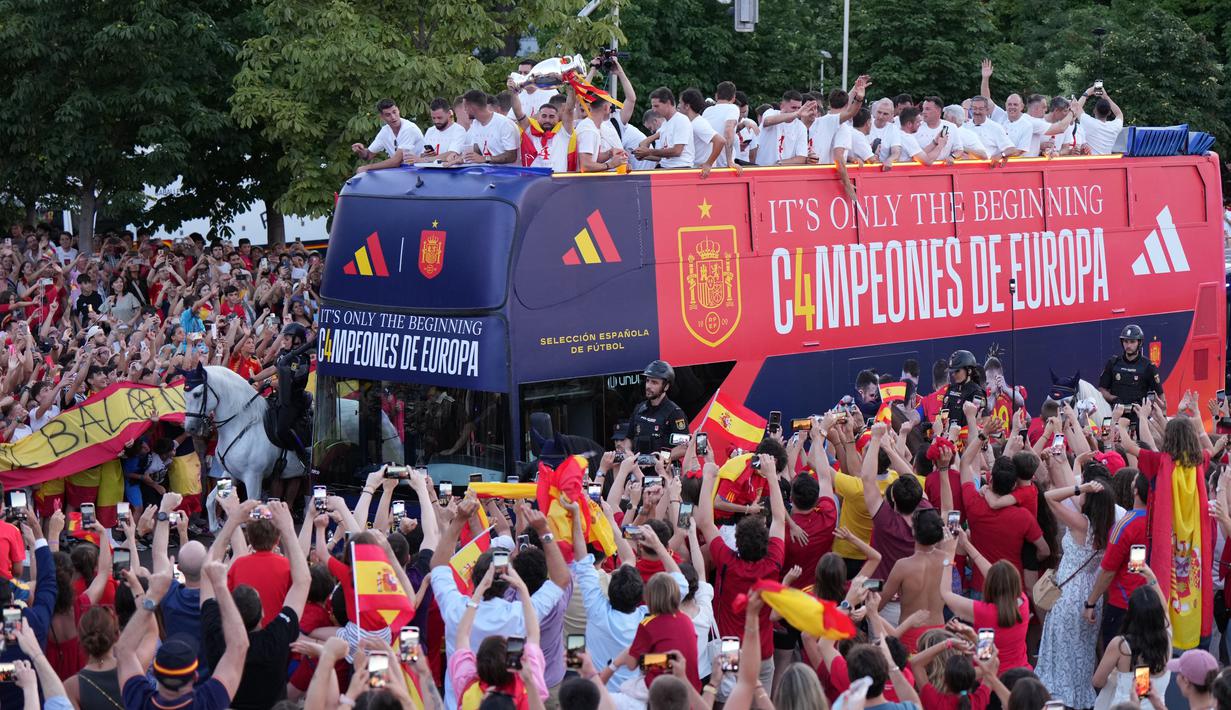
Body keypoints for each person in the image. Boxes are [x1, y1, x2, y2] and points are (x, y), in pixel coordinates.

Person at [1117, 407, 1214, 650]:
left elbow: (1130, 446)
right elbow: (1210, 449)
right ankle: (1192, 644)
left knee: (1161, 587)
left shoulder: (1160, 463)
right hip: (1194, 546)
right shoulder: (1200, 461)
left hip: (1163, 545)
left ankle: (1150, 671)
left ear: (1168, 440)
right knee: (1190, 587)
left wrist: (1121, 421)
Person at [204, 501, 308, 709]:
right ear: (261, 613)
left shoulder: (216, 635)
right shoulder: (275, 639)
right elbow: (303, 581)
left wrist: (233, 520)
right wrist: (288, 528)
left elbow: (207, 571)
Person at [697, 454, 787, 694]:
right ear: (766, 542)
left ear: (736, 542)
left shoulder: (727, 561)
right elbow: (779, 518)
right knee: (761, 701)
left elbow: (705, 522)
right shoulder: (775, 561)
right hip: (763, 651)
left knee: (728, 700)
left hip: (729, 648)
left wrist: (708, 478)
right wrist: (771, 475)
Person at [117, 563, 250, 709]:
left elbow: (124, 649)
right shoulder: (208, 702)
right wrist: (220, 586)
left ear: (154, 673)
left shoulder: (139, 701)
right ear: (195, 677)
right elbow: (239, 645)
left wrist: (153, 595)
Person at [1034, 472, 1115, 708]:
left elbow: (1049, 497)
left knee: (1061, 652)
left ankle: (1059, 700)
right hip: (1091, 594)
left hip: (1068, 594)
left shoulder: (1082, 524)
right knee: (1081, 653)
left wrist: (1081, 488)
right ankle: (1078, 699)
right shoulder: (1106, 528)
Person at [1084, 470, 1150, 652]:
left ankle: (1120, 681)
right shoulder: (1160, 521)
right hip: (1152, 601)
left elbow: (1108, 570)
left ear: (1135, 490)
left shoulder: (1125, 525)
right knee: (1142, 659)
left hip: (1123, 605)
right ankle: (1140, 682)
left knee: (1118, 658)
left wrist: (1091, 602)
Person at [940, 557, 1032, 671]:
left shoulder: (984, 612)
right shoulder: (1023, 602)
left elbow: (946, 593)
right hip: (1022, 673)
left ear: (988, 585)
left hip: (992, 680)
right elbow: (1000, 579)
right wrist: (967, 545)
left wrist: (947, 558)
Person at [1092, 579, 1173, 708]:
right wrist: (1150, 576)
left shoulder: (1121, 645)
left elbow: (1098, 681)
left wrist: (1115, 673)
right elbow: (1165, 610)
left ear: (1131, 613)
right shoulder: (1167, 639)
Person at [247, 322, 313, 467]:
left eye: (288, 338)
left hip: (294, 399)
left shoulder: (302, 359)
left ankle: (303, 455)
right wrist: (253, 379)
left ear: (297, 340)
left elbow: (287, 382)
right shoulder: (284, 353)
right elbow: (272, 369)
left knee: (282, 429)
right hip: (280, 396)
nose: (284, 341)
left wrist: (270, 383)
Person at [64, 606, 126, 709]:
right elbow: (151, 631)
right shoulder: (132, 669)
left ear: (80, 638)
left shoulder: (71, 687)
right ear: (117, 635)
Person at [627, 360, 688, 459]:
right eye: (647, 381)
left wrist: (657, 459)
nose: (648, 386)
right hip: (637, 471)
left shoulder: (675, 413)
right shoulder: (639, 409)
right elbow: (628, 439)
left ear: (666, 386)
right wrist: (628, 453)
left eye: (654, 382)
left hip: (663, 471)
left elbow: (683, 448)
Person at [351, 98, 424, 172]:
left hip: (419, 171)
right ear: (382, 117)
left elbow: (396, 162)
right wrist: (361, 151)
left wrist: (367, 167)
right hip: (401, 172)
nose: (393, 117)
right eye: (388, 115)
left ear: (398, 110)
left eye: (394, 112)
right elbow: (368, 155)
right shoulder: (385, 131)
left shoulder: (409, 129)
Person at [1098, 325, 1163, 408]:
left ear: (1139, 343)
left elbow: (1160, 395)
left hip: (1139, 414)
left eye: (1132, 342)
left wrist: (1162, 414)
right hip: (1116, 413)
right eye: (1126, 341)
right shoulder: (1113, 363)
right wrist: (1113, 398)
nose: (1128, 345)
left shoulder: (1148, 366)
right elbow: (1102, 390)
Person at [453, 89, 520, 165]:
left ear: (472, 108)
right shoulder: (475, 123)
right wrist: (461, 158)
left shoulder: (504, 124)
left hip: (509, 173)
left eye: (465, 107)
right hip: (488, 171)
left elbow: (511, 156)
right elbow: (477, 148)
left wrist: (485, 158)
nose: (464, 110)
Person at [633, 87, 694, 169]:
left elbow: (677, 151)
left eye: (656, 106)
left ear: (668, 103)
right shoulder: (666, 123)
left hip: (679, 169)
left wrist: (648, 151)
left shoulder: (681, 120)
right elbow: (663, 154)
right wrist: (644, 154)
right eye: (652, 106)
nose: (653, 110)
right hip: (667, 168)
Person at [677, 88, 726, 178]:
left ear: (687, 106)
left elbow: (720, 141)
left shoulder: (698, 124)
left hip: (701, 174)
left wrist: (708, 164)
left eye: (680, 102)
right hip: (696, 172)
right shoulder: (692, 123)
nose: (678, 106)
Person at [755, 91, 812, 166]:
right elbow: (767, 121)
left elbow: (801, 158)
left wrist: (780, 163)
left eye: (799, 108)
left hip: (783, 172)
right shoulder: (771, 112)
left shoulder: (801, 127)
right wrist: (796, 114)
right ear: (782, 106)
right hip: (762, 169)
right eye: (793, 107)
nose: (797, 110)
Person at [1072, 84, 1125, 155]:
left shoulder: (1089, 122)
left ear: (1094, 111)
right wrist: (1106, 96)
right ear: (1109, 113)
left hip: (1092, 162)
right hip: (1108, 161)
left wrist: (1087, 92)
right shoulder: (1114, 126)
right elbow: (1119, 114)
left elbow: (1076, 108)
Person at [701, 81, 740, 169]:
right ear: (733, 98)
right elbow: (728, 130)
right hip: (723, 164)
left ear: (716, 95)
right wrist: (729, 161)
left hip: (707, 162)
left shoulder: (707, 111)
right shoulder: (733, 108)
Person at [419, 97, 468, 164]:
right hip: (430, 171)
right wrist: (425, 155)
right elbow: (421, 156)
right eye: (433, 118)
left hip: (449, 171)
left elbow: (451, 155)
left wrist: (427, 159)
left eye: (439, 118)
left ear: (448, 114)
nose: (436, 121)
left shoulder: (459, 130)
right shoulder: (430, 131)